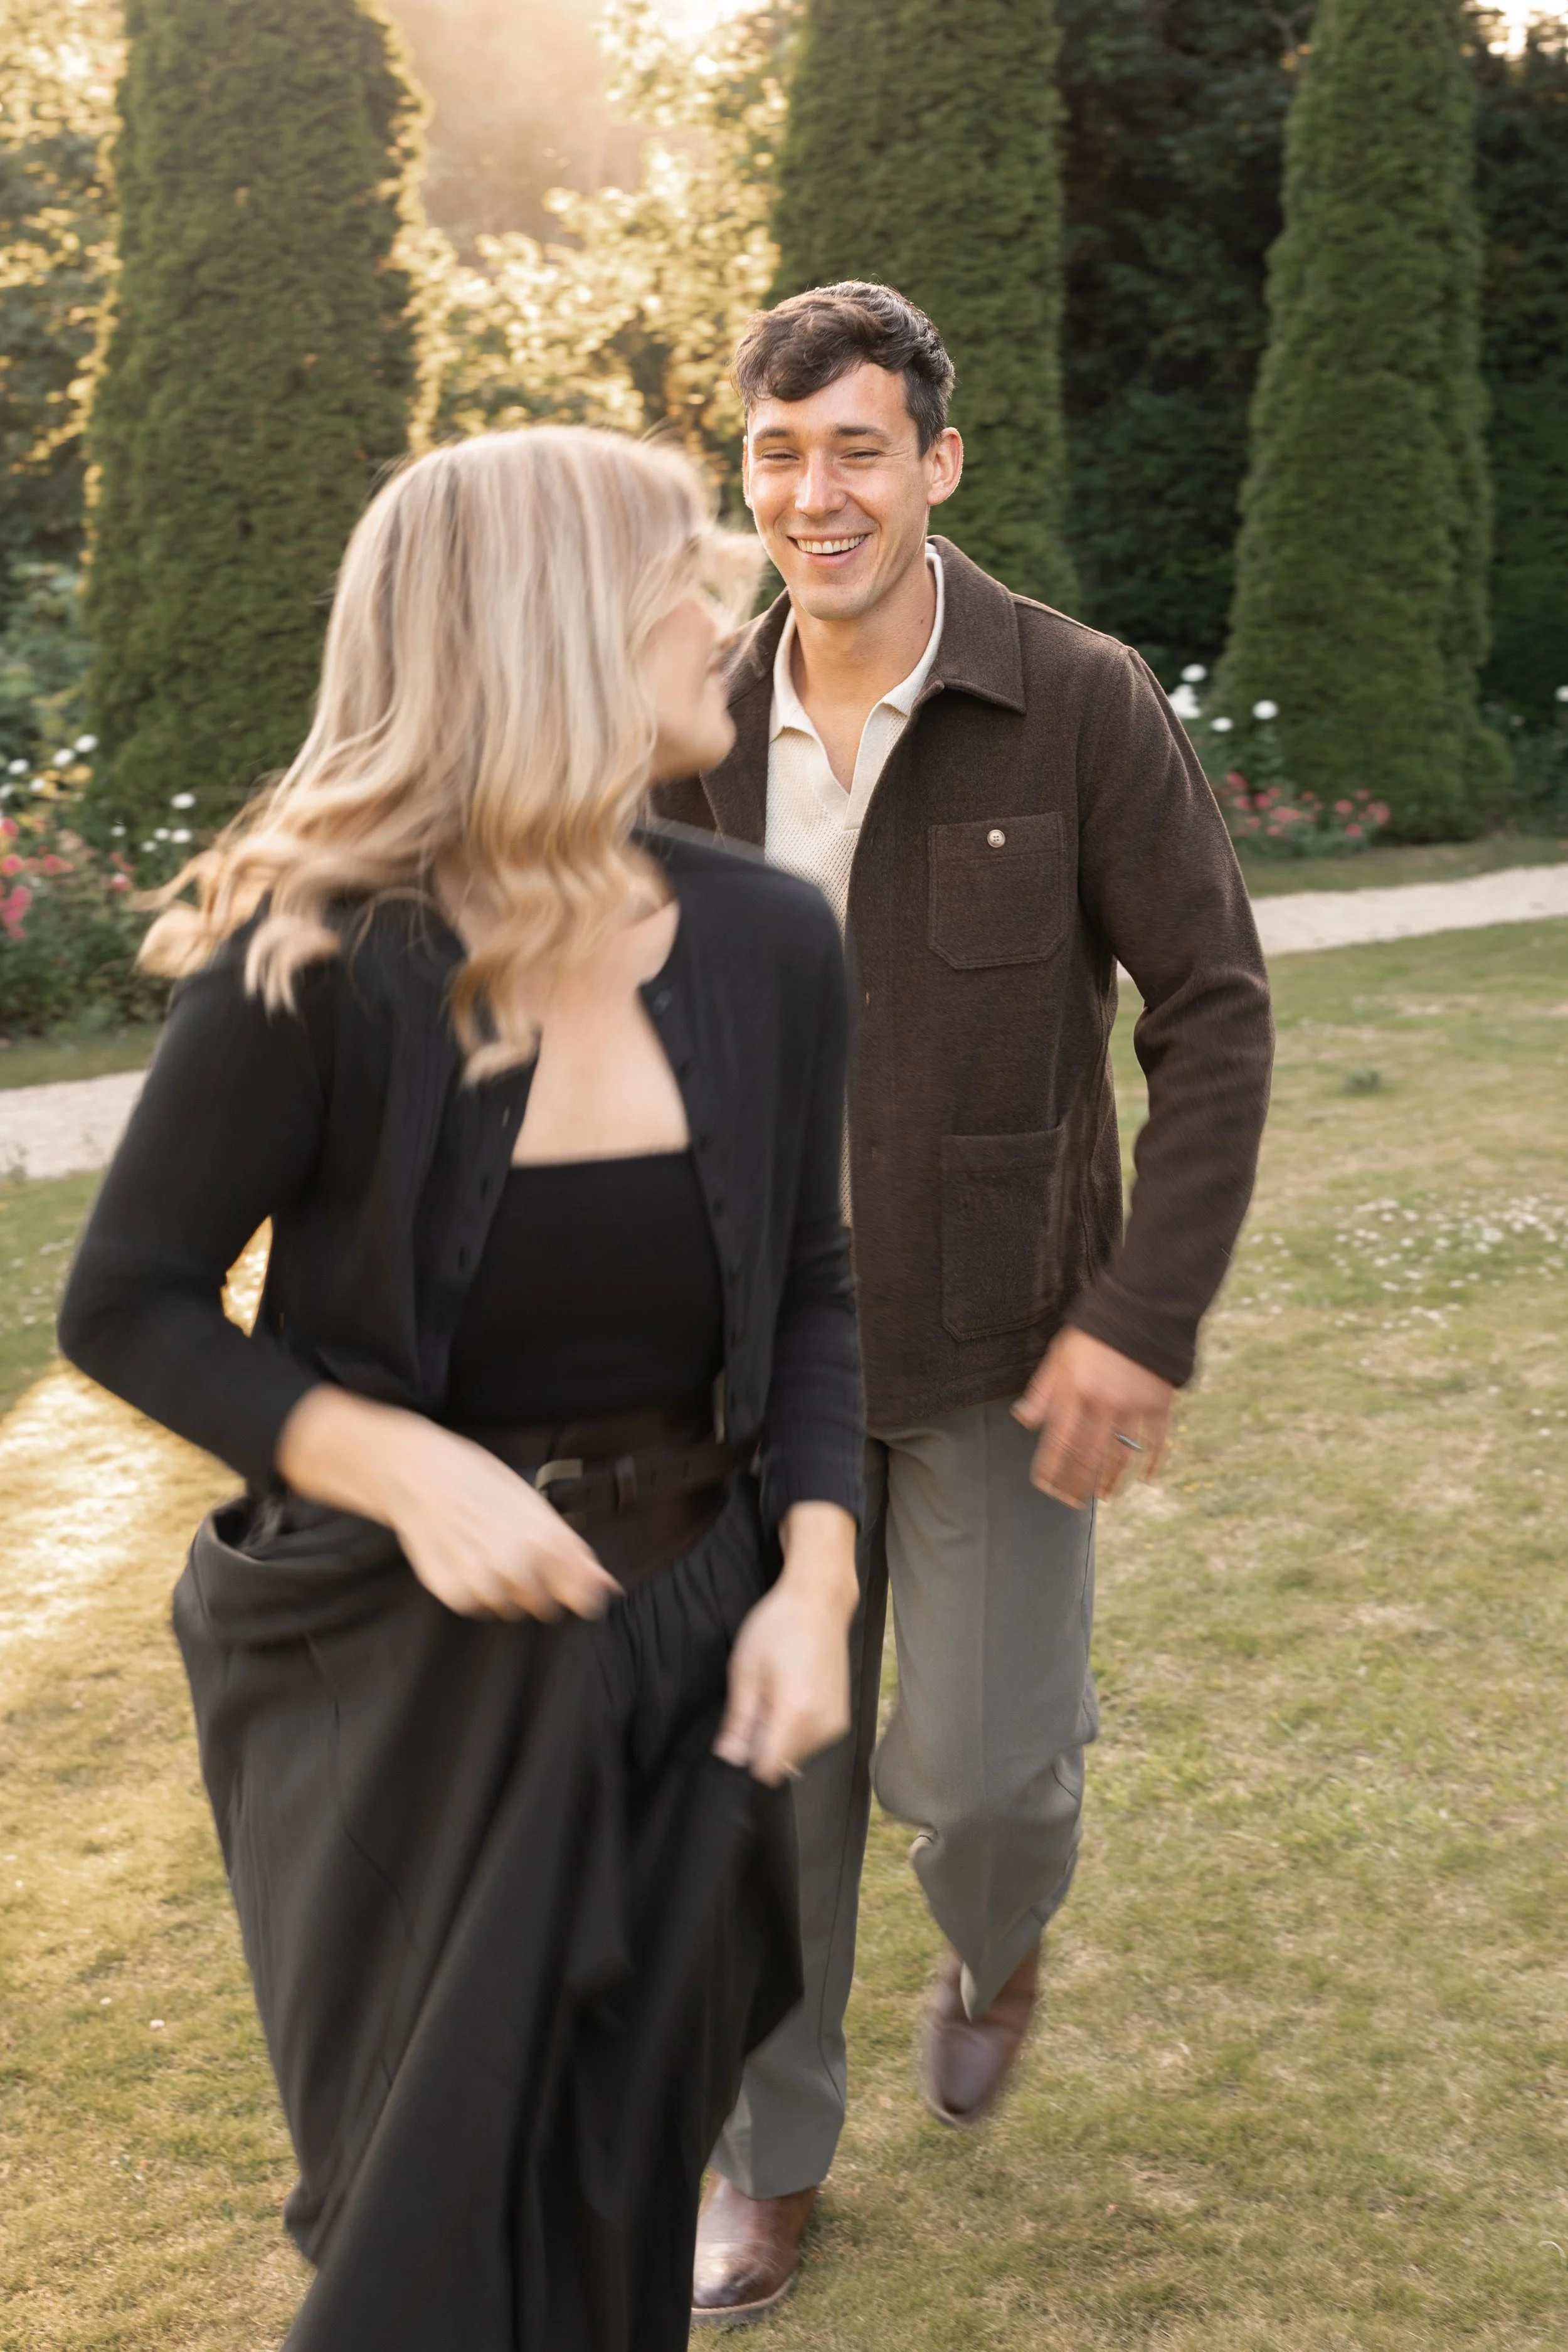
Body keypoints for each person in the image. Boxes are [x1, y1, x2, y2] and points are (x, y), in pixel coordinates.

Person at [56, 426, 866, 2352]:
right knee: (419, 2244)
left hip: (686, 1652)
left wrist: (816, 1584)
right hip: (394, 1681)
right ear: (551, 628)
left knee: (611, 2206)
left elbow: (819, 1294)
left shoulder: (768, 940)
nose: (725, 602)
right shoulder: (318, 955)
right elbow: (131, 1301)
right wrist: (397, 1464)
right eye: (677, 570)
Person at [654, 282, 1274, 2324]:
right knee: (770, 1786)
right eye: (775, 450)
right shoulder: (690, 718)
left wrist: (1141, 1312)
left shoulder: (1078, 699)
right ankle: (773, 2156)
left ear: (937, 459)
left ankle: (996, 1936)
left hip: (1003, 1348)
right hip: (741, 1372)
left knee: (991, 1773)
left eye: (854, 447)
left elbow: (1215, 1010)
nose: (811, 492)